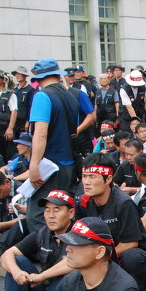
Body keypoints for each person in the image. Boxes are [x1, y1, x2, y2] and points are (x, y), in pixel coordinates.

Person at [77, 152, 146, 287]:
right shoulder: (83, 202)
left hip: (139, 260)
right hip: (104, 256)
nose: (86, 182)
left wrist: (94, 258)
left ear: (108, 179)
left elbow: (130, 244)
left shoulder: (124, 203)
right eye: (84, 176)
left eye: (92, 176)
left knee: (132, 256)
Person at [25, 58, 84, 233]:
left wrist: (33, 165)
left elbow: (40, 134)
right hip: (69, 164)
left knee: (39, 215)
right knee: (63, 214)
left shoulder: (42, 96)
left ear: (38, 78)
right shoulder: (71, 96)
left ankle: (47, 248)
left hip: (49, 166)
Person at [1, 190, 75, 291]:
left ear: (71, 213)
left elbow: (73, 262)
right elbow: (7, 254)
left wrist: (42, 276)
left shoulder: (79, 235)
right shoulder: (42, 233)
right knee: (17, 261)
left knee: (67, 276)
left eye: (56, 210)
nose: (51, 215)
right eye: (47, 210)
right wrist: (16, 272)